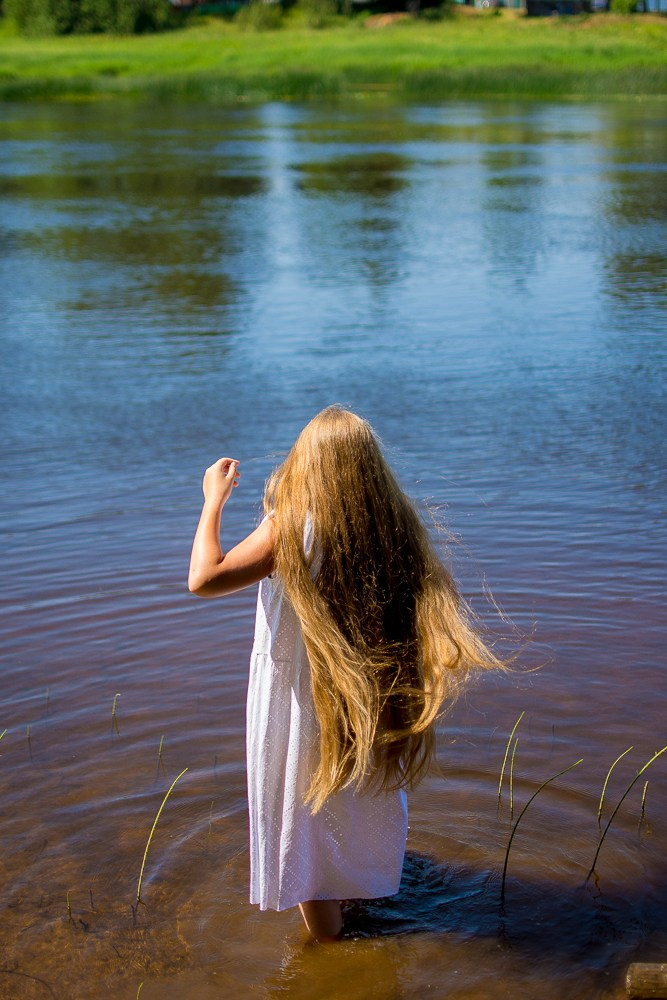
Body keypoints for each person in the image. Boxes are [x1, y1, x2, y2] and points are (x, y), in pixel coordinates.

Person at [188, 406, 503, 943]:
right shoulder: (388, 527)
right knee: (350, 799)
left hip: (295, 698)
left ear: (306, 466)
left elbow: (204, 578)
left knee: (300, 817)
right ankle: (363, 895)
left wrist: (212, 502)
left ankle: (333, 953)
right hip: (355, 692)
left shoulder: (287, 527)